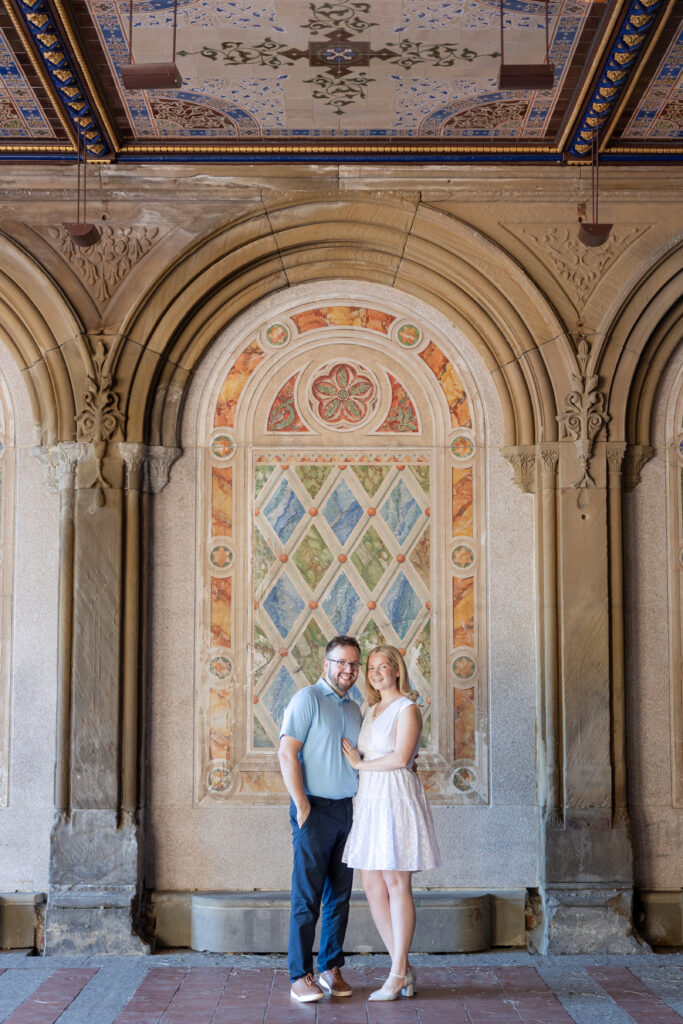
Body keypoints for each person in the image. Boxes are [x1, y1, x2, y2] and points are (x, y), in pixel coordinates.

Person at [341, 644, 440, 1001]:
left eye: (384, 666)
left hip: (395, 795)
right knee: (371, 883)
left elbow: (401, 758)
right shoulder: (370, 709)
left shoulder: (407, 708)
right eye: (371, 667)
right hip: (369, 799)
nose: (376, 672)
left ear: (397, 670)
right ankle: (404, 966)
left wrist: (359, 766)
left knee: (397, 881)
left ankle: (397, 973)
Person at [278, 634, 363, 1003]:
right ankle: (300, 975)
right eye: (341, 662)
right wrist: (302, 807)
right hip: (313, 809)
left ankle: (331, 967)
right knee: (307, 897)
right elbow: (286, 753)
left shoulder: (354, 708)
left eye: (353, 664)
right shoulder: (307, 699)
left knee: (340, 896)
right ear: (325, 665)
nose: (348, 669)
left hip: (346, 810)